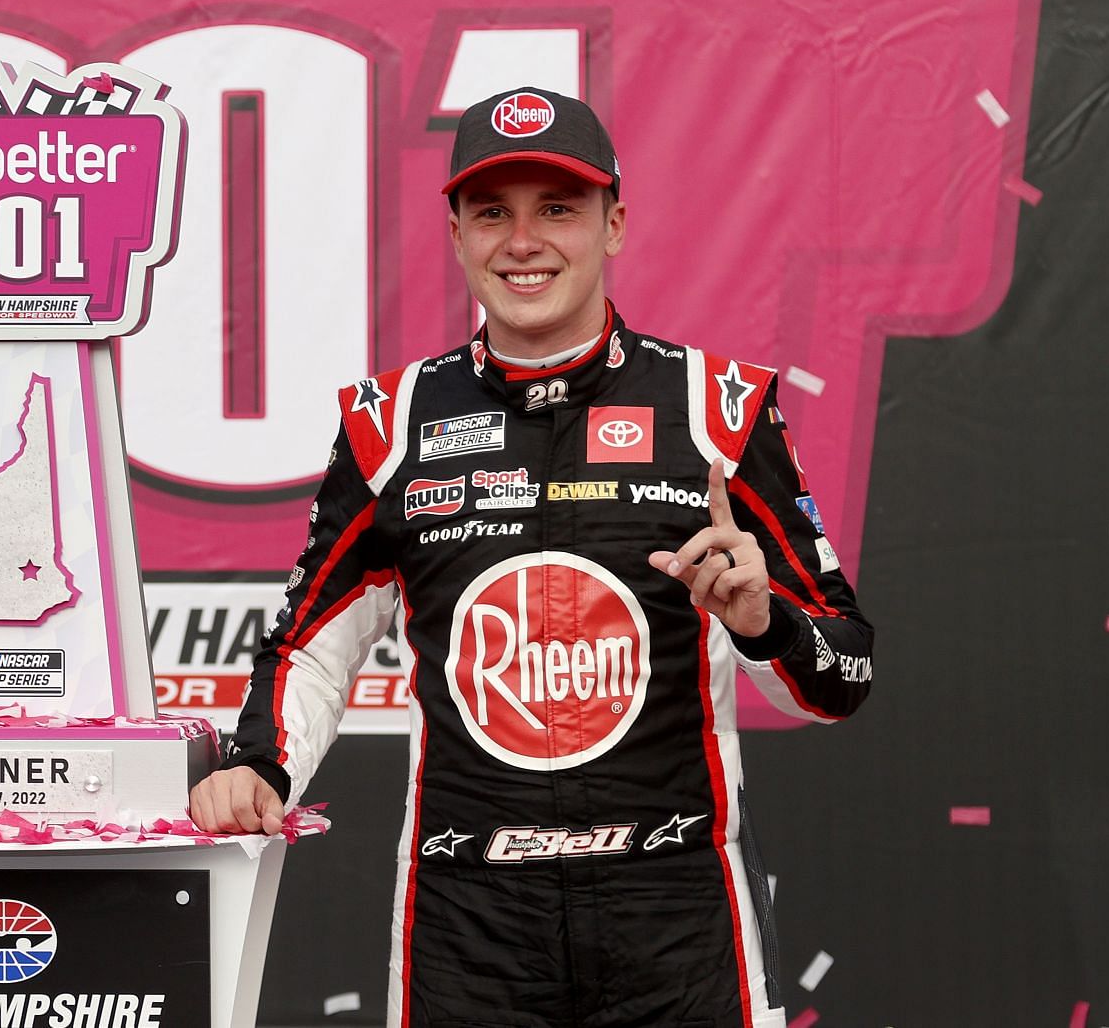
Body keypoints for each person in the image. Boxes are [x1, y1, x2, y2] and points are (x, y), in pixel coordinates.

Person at [187, 87, 874, 1028]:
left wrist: (764, 622)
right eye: (492, 213)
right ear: (457, 233)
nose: (524, 241)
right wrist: (258, 769)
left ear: (615, 223)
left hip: (676, 913)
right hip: (469, 919)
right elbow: (308, 644)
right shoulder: (391, 426)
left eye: (558, 208)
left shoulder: (720, 409)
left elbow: (846, 674)